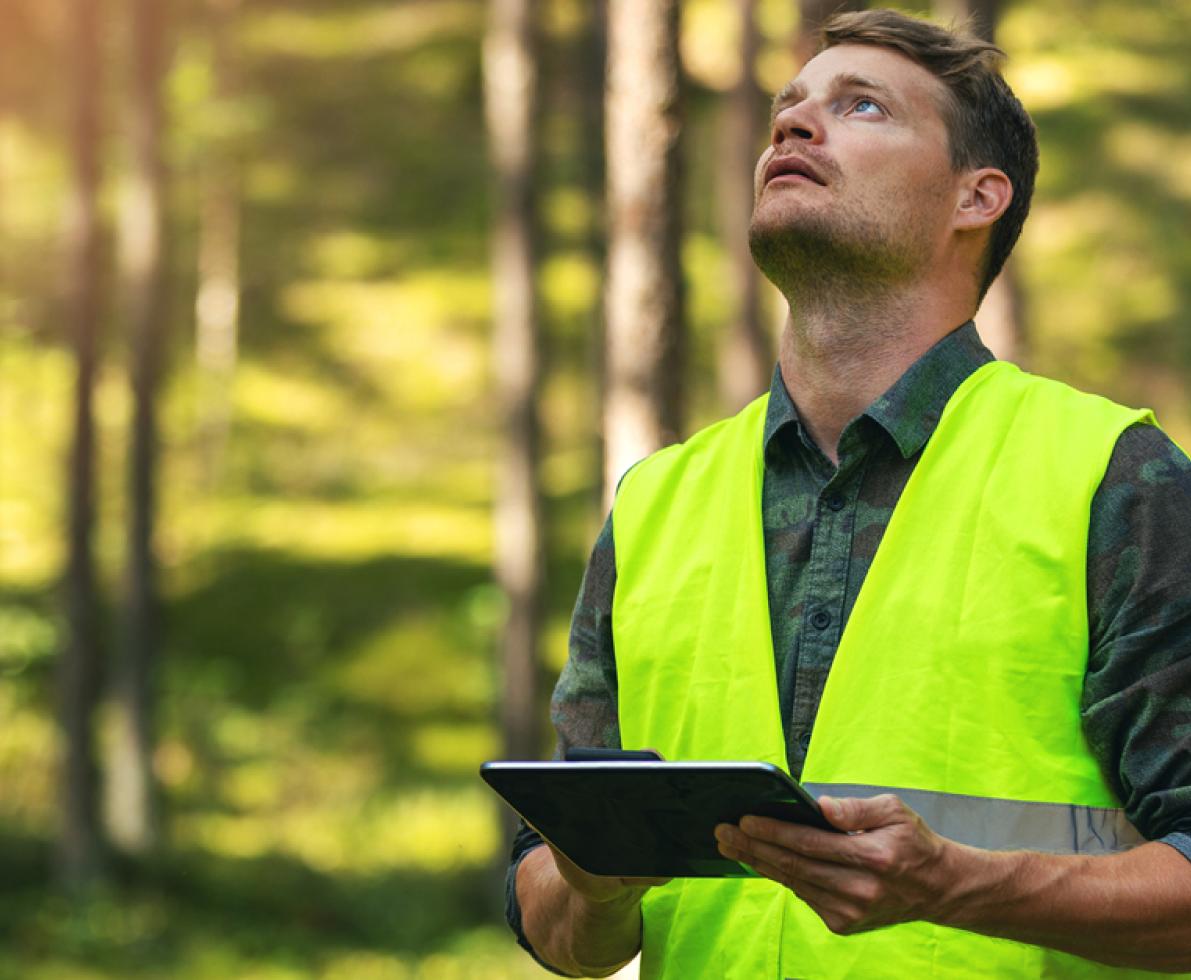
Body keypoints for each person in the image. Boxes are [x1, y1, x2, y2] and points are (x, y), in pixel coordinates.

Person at [506, 9, 1191, 978]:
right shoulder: (654, 505)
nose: (791, 126)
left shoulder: (1113, 476)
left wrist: (954, 882)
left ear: (976, 197)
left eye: (860, 105)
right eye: (786, 108)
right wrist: (594, 880)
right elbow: (557, 921)